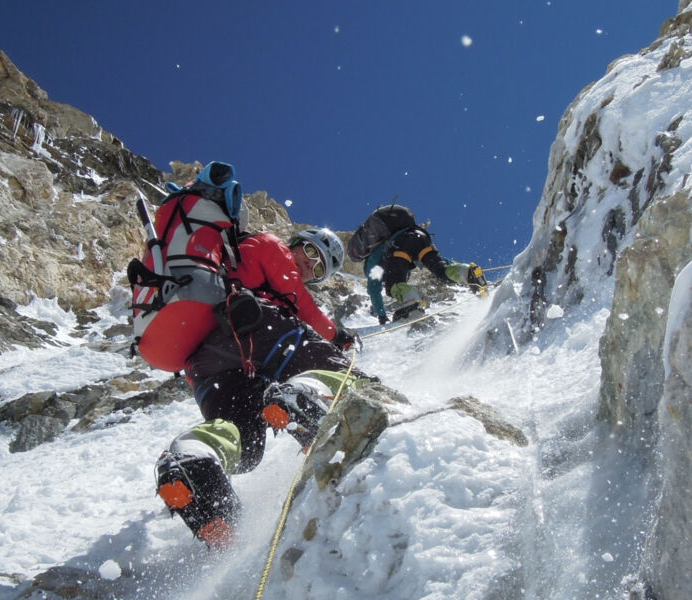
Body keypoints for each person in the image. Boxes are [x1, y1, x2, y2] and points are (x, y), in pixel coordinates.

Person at [154, 225, 365, 549]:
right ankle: (309, 395)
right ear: (295, 243)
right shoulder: (268, 246)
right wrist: (335, 336)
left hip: (207, 367)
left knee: (247, 445)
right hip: (251, 326)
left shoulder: (256, 268)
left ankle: (194, 456)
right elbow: (303, 307)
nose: (310, 265)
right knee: (325, 359)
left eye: (319, 268)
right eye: (310, 252)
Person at [352, 206, 487, 324]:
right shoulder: (397, 233)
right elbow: (434, 261)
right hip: (420, 237)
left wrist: (381, 315)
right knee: (440, 270)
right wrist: (448, 263)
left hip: (400, 246)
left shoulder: (373, 259)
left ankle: (411, 302)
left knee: (393, 284)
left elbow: (374, 288)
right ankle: (468, 272)